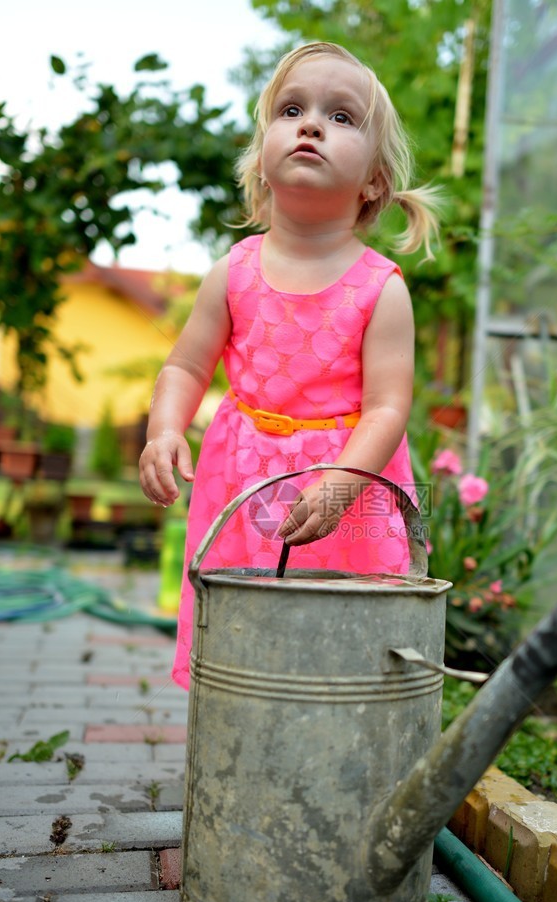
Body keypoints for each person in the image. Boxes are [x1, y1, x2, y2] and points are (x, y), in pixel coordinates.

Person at [139, 41, 444, 690]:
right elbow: (186, 368)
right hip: (240, 480)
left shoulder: (379, 288)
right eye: (292, 109)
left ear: (374, 182)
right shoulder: (233, 273)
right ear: (260, 157)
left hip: (345, 482)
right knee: (240, 631)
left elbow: (389, 406)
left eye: (341, 117)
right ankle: (238, 731)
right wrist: (164, 429)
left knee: (340, 631)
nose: (311, 124)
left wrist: (342, 482)